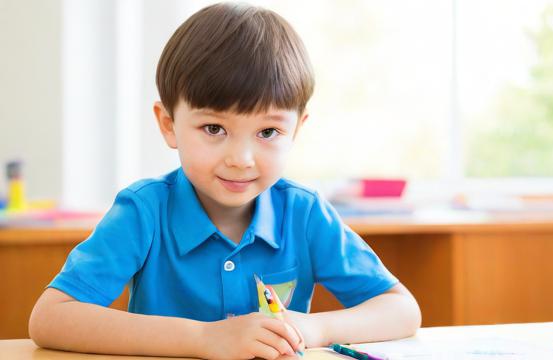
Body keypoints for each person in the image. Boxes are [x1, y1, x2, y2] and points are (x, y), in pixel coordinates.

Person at [29, 3, 421, 359]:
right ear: (169, 125)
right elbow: (50, 319)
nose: (241, 159)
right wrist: (205, 338)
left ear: (296, 130)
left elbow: (402, 309)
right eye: (214, 128)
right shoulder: (143, 211)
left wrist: (314, 327)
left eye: (267, 132)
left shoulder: (304, 212)